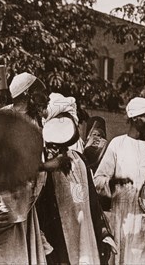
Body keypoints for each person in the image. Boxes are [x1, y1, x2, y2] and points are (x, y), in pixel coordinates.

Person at [36, 108, 115, 264]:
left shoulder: (79, 159)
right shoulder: (45, 165)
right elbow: (40, 211)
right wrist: (46, 247)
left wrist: (103, 233)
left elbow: (92, 201)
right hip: (59, 243)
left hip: (87, 238)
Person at [94, 97, 145, 264]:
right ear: (135, 118)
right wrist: (113, 183)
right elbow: (97, 180)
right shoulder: (117, 145)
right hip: (123, 219)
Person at [0, 72, 49, 264]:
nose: (45, 98)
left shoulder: (35, 124)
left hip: (24, 212)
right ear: (27, 95)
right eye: (40, 93)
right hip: (4, 211)